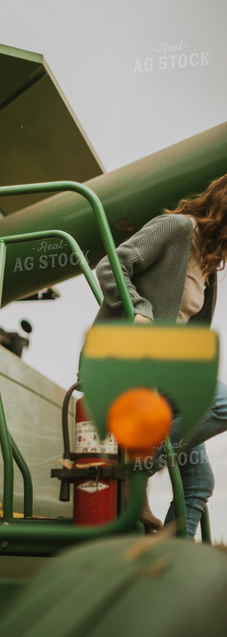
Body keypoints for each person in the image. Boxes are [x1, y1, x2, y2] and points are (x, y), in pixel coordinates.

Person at [94, 173, 227, 538]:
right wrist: (139, 308)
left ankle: (164, 564)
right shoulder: (178, 229)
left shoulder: (211, 263)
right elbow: (110, 266)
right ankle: (134, 471)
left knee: (199, 481)